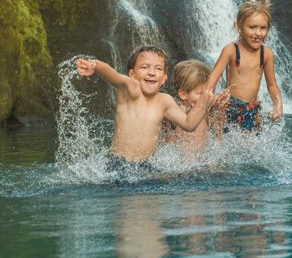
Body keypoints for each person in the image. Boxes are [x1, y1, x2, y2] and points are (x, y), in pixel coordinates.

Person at [75, 46, 224, 167]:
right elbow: (111, 74)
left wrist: (206, 101)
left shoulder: (165, 101)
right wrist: (95, 65)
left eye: (158, 69)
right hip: (119, 164)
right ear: (132, 74)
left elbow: (189, 124)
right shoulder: (130, 89)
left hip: (147, 166)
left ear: (164, 78)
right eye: (145, 67)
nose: (152, 72)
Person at [205, 0, 285, 132]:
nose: (258, 33)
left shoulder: (266, 54)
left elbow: (272, 85)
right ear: (238, 26)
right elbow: (211, 81)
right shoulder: (231, 50)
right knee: (224, 146)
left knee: (250, 148)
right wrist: (209, 97)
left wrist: (278, 105)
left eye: (263, 28)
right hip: (229, 109)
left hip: (251, 110)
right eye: (252, 27)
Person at [165, 59, 216, 155]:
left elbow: (216, 134)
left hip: (201, 160)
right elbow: (171, 144)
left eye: (208, 92)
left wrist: (220, 107)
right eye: (200, 93)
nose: (207, 96)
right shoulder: (180, 113)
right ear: (183, 94)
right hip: (186, 164)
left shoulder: (205, 108)